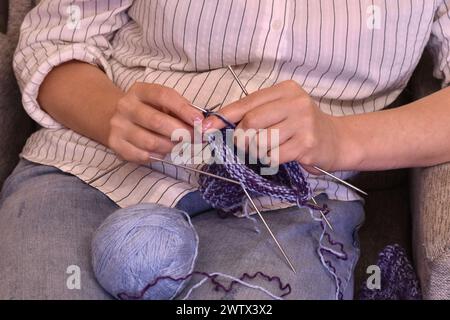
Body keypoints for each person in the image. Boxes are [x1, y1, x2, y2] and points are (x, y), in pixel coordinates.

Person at [1, 0, 449, 300]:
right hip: (87, 170)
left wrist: (341, 139)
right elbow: (55, 37)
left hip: (286, 202)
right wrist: (109, 113)